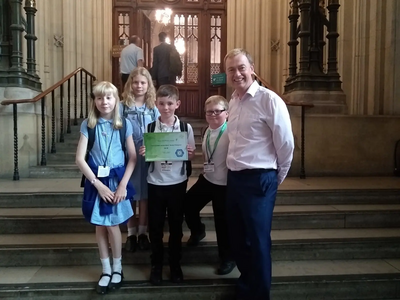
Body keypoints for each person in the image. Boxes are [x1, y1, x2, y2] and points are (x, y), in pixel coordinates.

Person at [224, 48, 294, 300]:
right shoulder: (232, 101)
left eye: (241, 67)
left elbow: (285, 145)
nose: (237, 73)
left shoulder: (270, 100)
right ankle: (247, 284)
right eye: (231, 69)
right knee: (238, 237)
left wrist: (274, 178)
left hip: (260, 179)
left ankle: (259, 294)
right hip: (235, 178)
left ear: (252, 68)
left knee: (258, 239)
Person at [75, 81, 137, 295]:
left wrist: (122, 186)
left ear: (116, 100)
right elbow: (80, 159)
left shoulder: (125, 124)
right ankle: (106, 269)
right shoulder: (88, 125)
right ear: (95, 101)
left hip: (116, 181)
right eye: (100, 98)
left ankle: (118, 268)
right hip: (97, 182)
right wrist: (97, 185)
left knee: (112, 225)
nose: (104, 102)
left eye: (109, 97)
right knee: (100, 225)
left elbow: (133, 158)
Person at [138, 84, 196, 285]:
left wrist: (190, 153)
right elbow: (148, 156)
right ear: (156, 104)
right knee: (155, 226)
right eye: (162, 103)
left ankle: (174, 264)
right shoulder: (150, 127)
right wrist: (145, 153)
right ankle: (156, 264)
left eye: (170, 103)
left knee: (175, 226)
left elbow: (191, 154)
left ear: (177, 104)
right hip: (155, 183)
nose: (166, 107)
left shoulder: (185, 128)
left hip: (177, 183)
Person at [184, 95, 236, 275]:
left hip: (225, 185)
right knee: (187, 204)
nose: (213, 114)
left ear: (227, 113)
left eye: (218, 111)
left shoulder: (231, 132)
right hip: (208, 179)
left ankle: (228, 259)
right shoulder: (206, 130)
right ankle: (198, 231)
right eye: (209, 112)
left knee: (223, 223)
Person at [121, 67, 160, 253]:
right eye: (136, 82)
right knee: (130, 195)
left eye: (143, 82)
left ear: (148, 85)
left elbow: (160, 132)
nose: (139, 86)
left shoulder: (153, 107)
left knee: (145, 196)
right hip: (129, 157)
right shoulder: (122, 106)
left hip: (148, 156)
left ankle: (143, 232)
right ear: (130, 84)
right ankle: (131, 233)